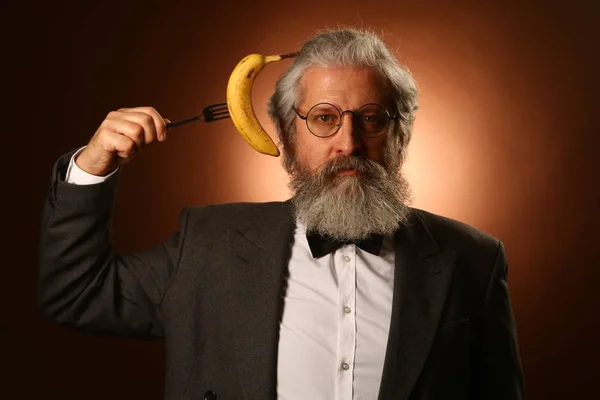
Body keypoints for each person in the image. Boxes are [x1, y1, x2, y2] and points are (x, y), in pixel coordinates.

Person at [38, 28, 525, 399]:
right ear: (288, 135)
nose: (348, 143)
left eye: (371, 118)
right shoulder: (207, 243)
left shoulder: (474, 260)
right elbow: (76, 294)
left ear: (402, 134)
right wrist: (92, 167)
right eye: (324, 118)